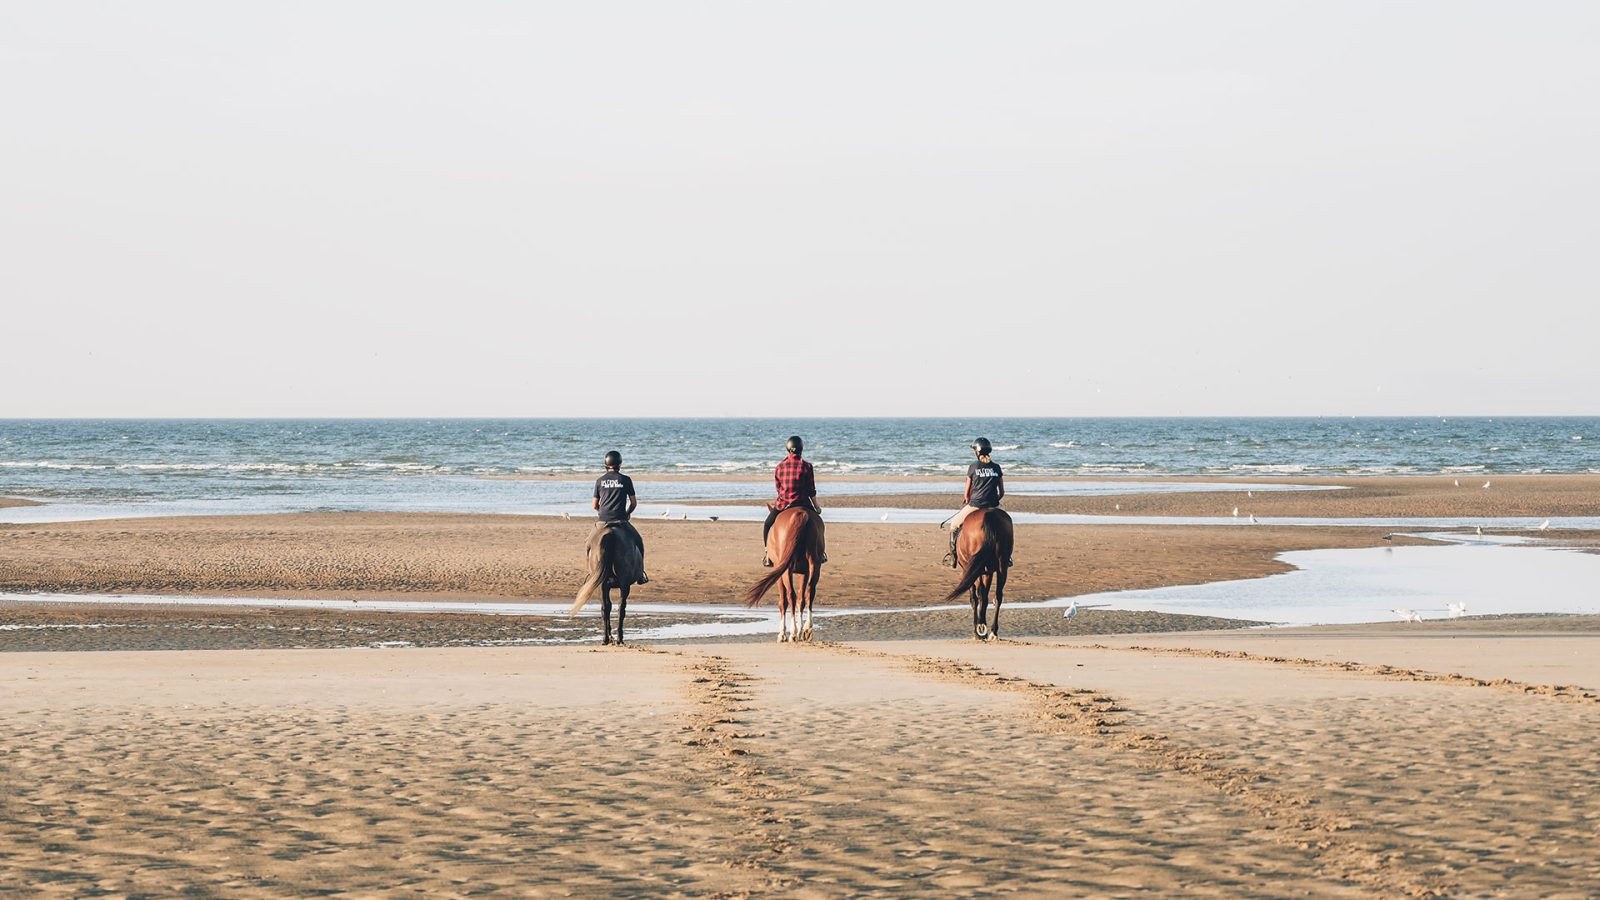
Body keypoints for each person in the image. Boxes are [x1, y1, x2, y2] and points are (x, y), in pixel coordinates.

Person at [943, 437, 1005, 568]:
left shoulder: (973, 467)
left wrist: (967, 500)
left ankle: (953, 556)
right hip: (993, 505)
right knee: (1005, 527)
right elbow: (1002, 492)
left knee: (953, 526)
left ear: (977, 451)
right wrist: (993, 501)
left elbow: (966, 494)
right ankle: (1007, 557)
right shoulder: (996, 467)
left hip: (975, 505)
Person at [762, 435, 823, 566]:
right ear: (801, 449)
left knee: (767, 525)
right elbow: (811, 490)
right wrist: (816, 507)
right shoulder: (807, 466)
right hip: (804, 504)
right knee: (819, 525)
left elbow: (779, 489)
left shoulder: (779, 467)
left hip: (784, 504)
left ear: (788, 449)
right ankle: (821, 553)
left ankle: (767, 554)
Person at [593, 450, 648, 583]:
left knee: (589, 545)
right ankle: (640, 574)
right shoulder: (625, 479)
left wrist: (602, 512)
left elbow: (594, 504)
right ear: (619, 464)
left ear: (606, 464)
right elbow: (634, 503)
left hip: (603, 521)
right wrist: (627, 513)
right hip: (621, 520)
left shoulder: (599, 481)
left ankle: (591, 574)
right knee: (638, 541)